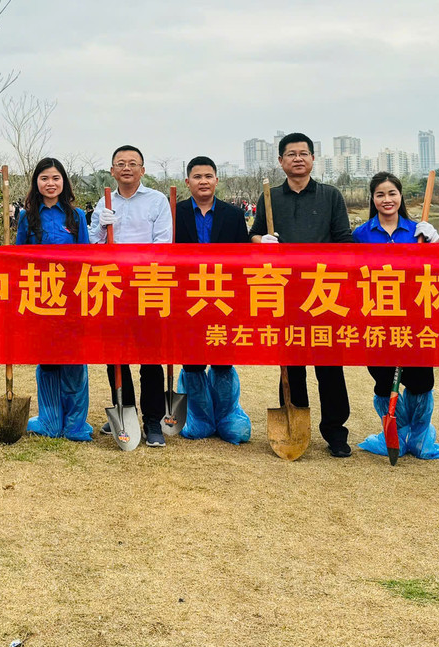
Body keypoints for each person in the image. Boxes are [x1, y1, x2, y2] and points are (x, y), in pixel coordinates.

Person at [248, 132, 356, 457]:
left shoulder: (330, 196)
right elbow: (253, 237)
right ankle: (296, 426)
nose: (298, 158)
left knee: (329, 366)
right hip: (284, 294)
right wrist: (261, 242)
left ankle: (335, 432)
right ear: (280, 161)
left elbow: (344, 240)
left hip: (324, 293)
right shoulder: (270, 198)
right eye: (291, 154)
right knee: (291, 365)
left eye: (304, 153)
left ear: (312, 159)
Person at [350, 171, 439, 460]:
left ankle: (418, 437)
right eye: (380, 194)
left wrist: (437, 243)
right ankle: (394, 432)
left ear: (401, 196)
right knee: (383, 380)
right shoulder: (361, 234)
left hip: (415, 318)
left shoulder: (417, 231)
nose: (387, 199)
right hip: (376, 319)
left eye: (392, 193)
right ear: (372, 199)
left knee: (421, 381)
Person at [90, 145, 173, 447]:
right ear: (112, 170)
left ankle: (153, 421)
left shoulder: (156, 201)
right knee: (115, 357)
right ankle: (125, 412)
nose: (126, 168)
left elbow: (163, 244)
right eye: (120, 164)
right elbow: (94, 245)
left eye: (132, 163)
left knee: (150, 358)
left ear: (143, 170)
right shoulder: (105, 202)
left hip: (147, 286)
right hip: (112, 289)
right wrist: (101, 226)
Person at [173, 156, 252, 444]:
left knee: (221, 358)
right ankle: (199, 418)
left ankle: (226, 416)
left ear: (217, 180)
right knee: (192, 361)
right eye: (197, 176)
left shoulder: (232, 215)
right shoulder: (175, 213)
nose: (203, 181)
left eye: (208, 176)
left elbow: (243, 259)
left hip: (223, 300)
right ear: (188, 182)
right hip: (188, 300)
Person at [16, 158, 92, 441]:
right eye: (45, 178)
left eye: (56, 178)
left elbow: (85, 259)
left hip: (70, 300)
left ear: (64, 182)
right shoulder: (27, 217)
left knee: (72, 359)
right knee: (47, 360)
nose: (50, 183)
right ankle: (50, 420)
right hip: (39, 300)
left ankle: (74, 424)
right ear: (36, 182)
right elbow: (19, 260)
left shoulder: (77, 216)